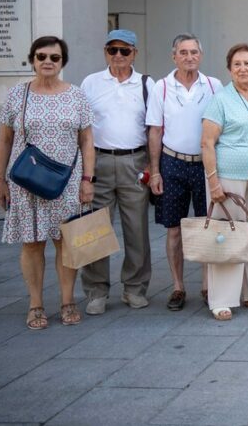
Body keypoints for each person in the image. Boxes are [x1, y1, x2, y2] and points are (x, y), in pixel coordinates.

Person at [0, 36, 95, 330]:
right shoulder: (18, 95)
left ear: (62, 62)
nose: (47, 62)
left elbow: (87, 140)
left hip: (67, 180)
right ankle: (35, 304)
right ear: (33, 60)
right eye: (41, 57)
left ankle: (67, 302)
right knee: (32, 243)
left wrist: (88, 179)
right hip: (26, 182)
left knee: (66, 242)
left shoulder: (76, 96)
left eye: (54, 57)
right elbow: (4, 140)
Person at [80, 29, 155, 315]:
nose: (118, 56)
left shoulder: (146, 84)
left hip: (134, 161)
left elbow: (153, 129)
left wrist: (151, 165)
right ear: (105, 52)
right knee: (96, 228)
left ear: (135, 53)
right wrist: (84, 172)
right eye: (113, 50)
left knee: (136, 229)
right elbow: (82, 129)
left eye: (125, 50)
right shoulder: (91, 83)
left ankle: (135, 288)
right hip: (98, 160)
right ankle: (96, 290)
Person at [200, 44, 248, 320]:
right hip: (229, 178)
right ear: (229, 69)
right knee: (227, 237)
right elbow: (207, 143)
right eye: (237, 64)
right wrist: (213, 183)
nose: (243, 68)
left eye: (247, 63)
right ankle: (221, 299)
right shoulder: (220, 99)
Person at [146, 34, 222, 311]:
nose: (189, 57)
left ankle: (206, 284)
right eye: (183, 52)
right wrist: (155, 172)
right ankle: (178, 287)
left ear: (200, 55)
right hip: (172, 162)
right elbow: (154, 130)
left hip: (204, 164)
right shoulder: (162, 87)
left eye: (194, 52)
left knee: (207, 225)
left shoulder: (214, 85)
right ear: (174, 56)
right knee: (174, 229)